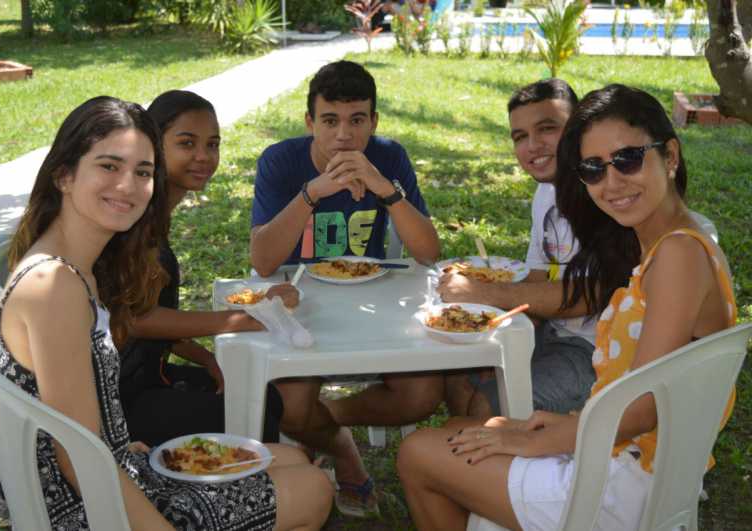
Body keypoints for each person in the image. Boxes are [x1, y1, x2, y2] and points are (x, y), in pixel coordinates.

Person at [397, 84, 737, 530]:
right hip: (626, 455)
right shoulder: (672, 245)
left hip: (624, 484)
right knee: (459, 433)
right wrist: (554, 426)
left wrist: (538, 440)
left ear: (669, 155)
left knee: (418, 453)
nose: (611, 183)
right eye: (593, 169)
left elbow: (642, 407)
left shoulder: (677, 255)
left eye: (628, 159)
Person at [0, 96, 333, 530]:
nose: (128, 186)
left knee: (290, 457)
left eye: (143, 172)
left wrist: (123, 446)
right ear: (64, 174)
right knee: (314, 488)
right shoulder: (53, 286)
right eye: (109, 166)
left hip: (110, 469)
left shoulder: (72, 267)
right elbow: (78, 458)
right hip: (85, 511)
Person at [249, 60, 441, 517]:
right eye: (330, 121)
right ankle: (345, 452)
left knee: (421, 396)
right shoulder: (280, 161)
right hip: (302, 307)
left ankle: (324, 420)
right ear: (310, 122)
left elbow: (429, 253)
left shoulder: (389, 157)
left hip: (373, 304)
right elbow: (264, 262)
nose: (344, 135)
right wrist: (312, 193)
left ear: (373, 121)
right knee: (291, 409)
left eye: (357, 121)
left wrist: (385, 189)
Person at [119, 90, 297, 447]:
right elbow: (135, 319)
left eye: (212, 144)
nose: (204, 156)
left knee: (265, 399)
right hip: (119, 398)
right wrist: (242, 319)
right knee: (250, 415)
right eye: (187, 143)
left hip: (150, 374)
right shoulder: (135, 218)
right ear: (153, 145)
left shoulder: (156, 214)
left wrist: (205, 357)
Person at [439, 79, 597, 419]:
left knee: (489, 403)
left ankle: (481, 442)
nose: (533, 146)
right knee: (459, 373)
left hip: (596, 350)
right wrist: (498, 335)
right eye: (520, 136)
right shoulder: (546, 193)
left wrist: (485, 292)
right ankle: (472, 443)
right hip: (551, 331)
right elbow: (538, 276)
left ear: (579, 126)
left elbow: (588, 295)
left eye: (547, 129)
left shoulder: (602, 194)